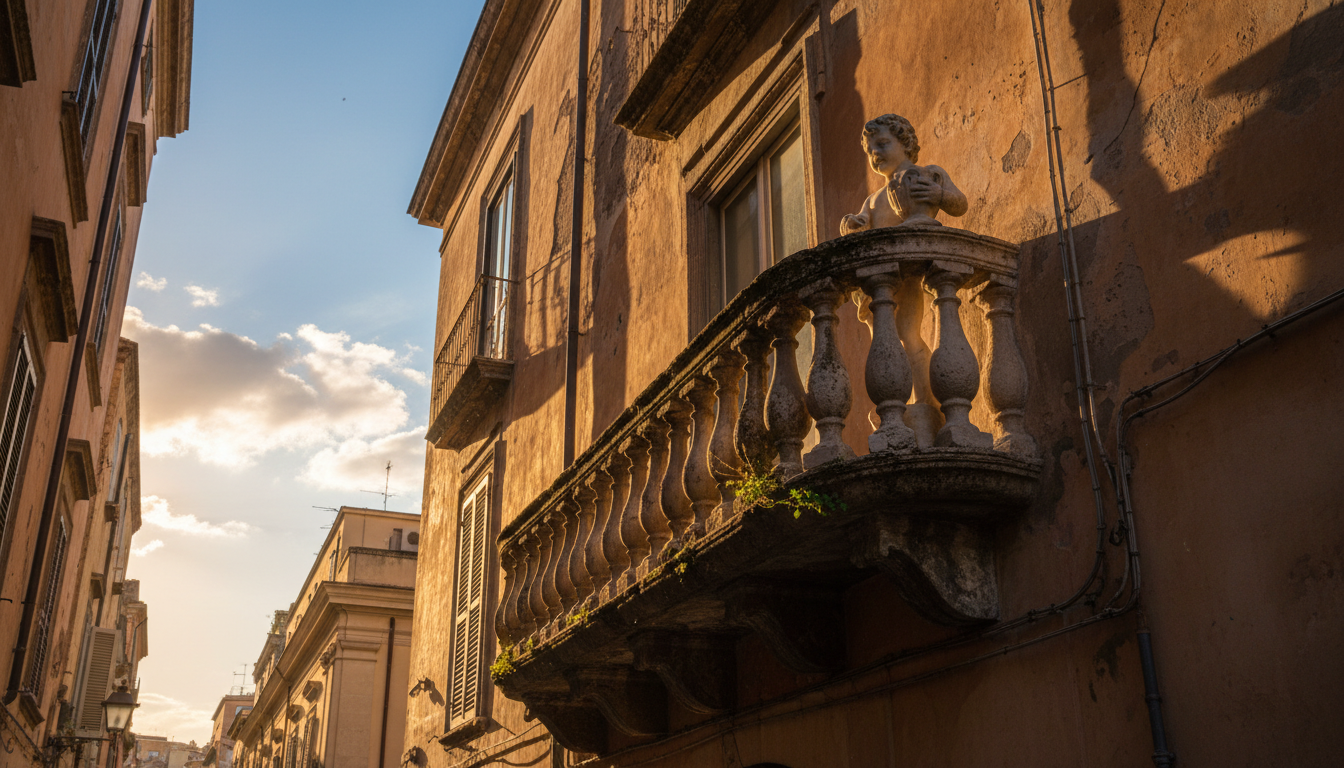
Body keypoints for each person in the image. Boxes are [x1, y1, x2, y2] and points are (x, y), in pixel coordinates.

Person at [840, 114, 968, 234]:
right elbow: (863, 224)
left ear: (905, 143)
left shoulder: (929, 174)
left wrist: (939, 195)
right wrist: (855, 223)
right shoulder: (872, 200)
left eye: (882, 144)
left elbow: (961, 205)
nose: (874, 152)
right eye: (869, 150)